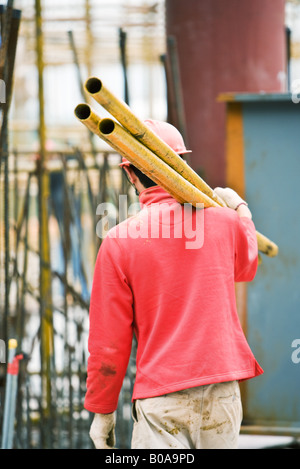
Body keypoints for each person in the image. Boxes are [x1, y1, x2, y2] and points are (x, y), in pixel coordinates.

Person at [84, 119, 263, 449]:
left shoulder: (119, 241)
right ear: (184, 164)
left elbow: (108, 344)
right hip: (222, 389)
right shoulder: (223, 221)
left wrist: (102, 411)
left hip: (162, 397)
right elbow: (247, 266)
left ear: (130, 174)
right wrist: (240, 209)